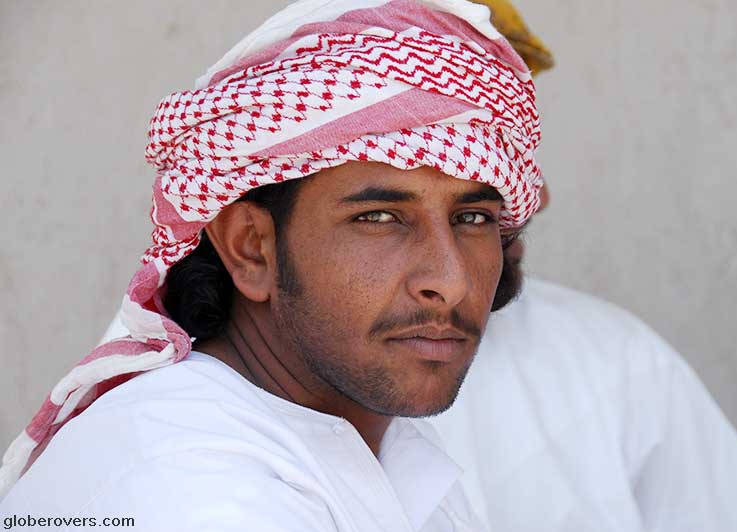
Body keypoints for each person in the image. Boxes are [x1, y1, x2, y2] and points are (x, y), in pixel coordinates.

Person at [0, 1, 545, 530]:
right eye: (379, 217)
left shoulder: (362, 440)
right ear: (250, 248)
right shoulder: (193, 491)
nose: (449, 283)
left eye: (473, 217)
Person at [428, 1, 737, 531]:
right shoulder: (282, 393)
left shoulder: (612, 356)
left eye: (516, 146)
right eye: (469, 150)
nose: (532, 199)